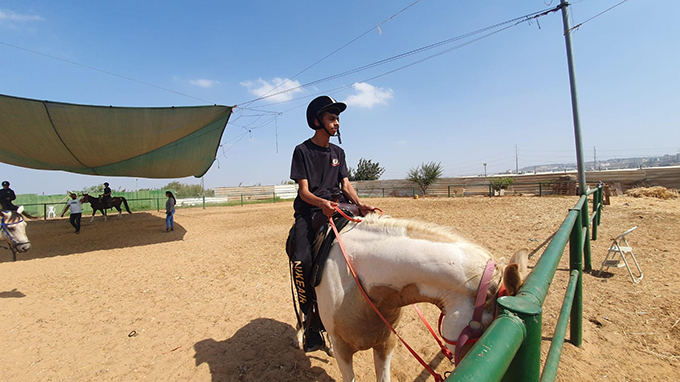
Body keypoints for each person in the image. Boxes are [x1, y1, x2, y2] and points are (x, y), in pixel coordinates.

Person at [289, 95, 374, 352]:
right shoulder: (302, 151)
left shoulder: (339, 153)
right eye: (331, 118)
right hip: (309, 211)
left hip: (338, 206)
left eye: (337, 118)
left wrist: (360, 204)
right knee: (301, 259)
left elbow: (345, 185)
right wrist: (321, 203)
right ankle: (309, 318)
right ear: (317, 121)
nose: (336, 123)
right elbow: (304, 192)